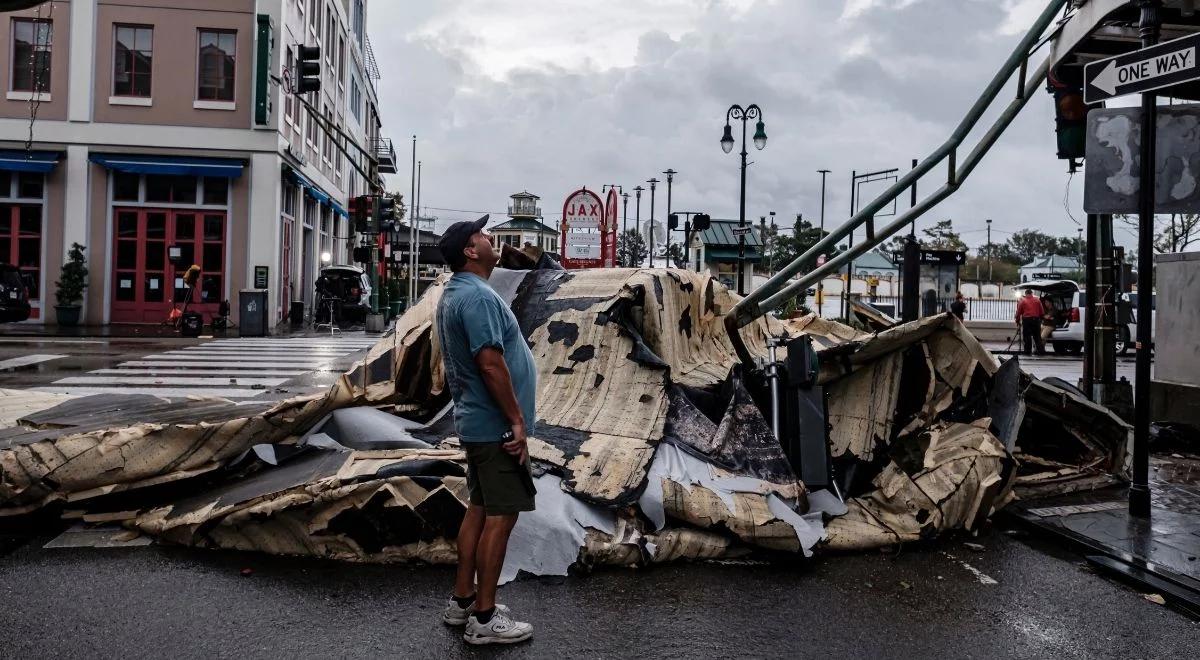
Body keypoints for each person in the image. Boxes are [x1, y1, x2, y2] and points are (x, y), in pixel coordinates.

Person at [435, 215, 537, 646]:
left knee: (478, 508)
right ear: (470, 252)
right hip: (495, 427)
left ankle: (463, 601)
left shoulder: (456, 294)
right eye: (481, 235)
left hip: (477, 422)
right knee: (501, 516)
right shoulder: (476, 298)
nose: (489, 237)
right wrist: (515, 420)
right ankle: (484, 618)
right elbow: (490, 362)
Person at [1015, 288, 1046, 355]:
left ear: (1026, 294)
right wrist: (1040, 319)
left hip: (1027, 321)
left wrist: (1017, 321)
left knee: (1027, 337)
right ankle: (1041, 351)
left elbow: (1018, 312)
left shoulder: (1023, 301)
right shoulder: (1037, 300)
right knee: (1037, 337)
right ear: (1032, 293)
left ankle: (1028, 352)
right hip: (1036, 320)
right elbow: (1042, 312)